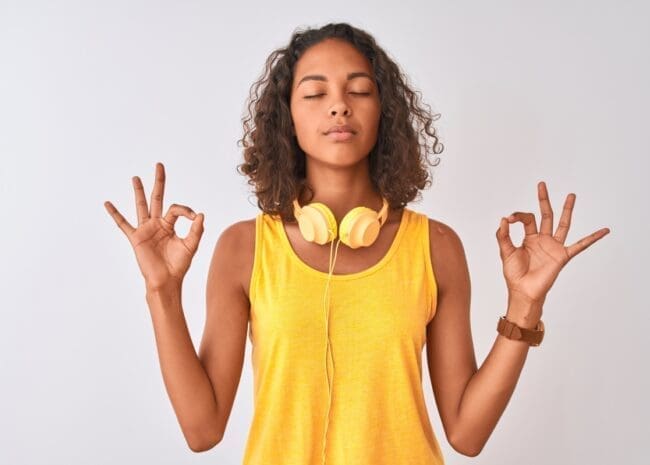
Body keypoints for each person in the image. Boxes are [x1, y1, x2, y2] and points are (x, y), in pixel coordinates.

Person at [103, 22, 610, 464]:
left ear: (383, 112)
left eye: (359, 90)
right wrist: (162, 293)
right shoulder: (244, 249)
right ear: (289, 118)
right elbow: (202, 430)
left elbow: (467, 434)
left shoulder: (436, 247)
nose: (339, 106)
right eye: (315, 93)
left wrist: (524, 306)